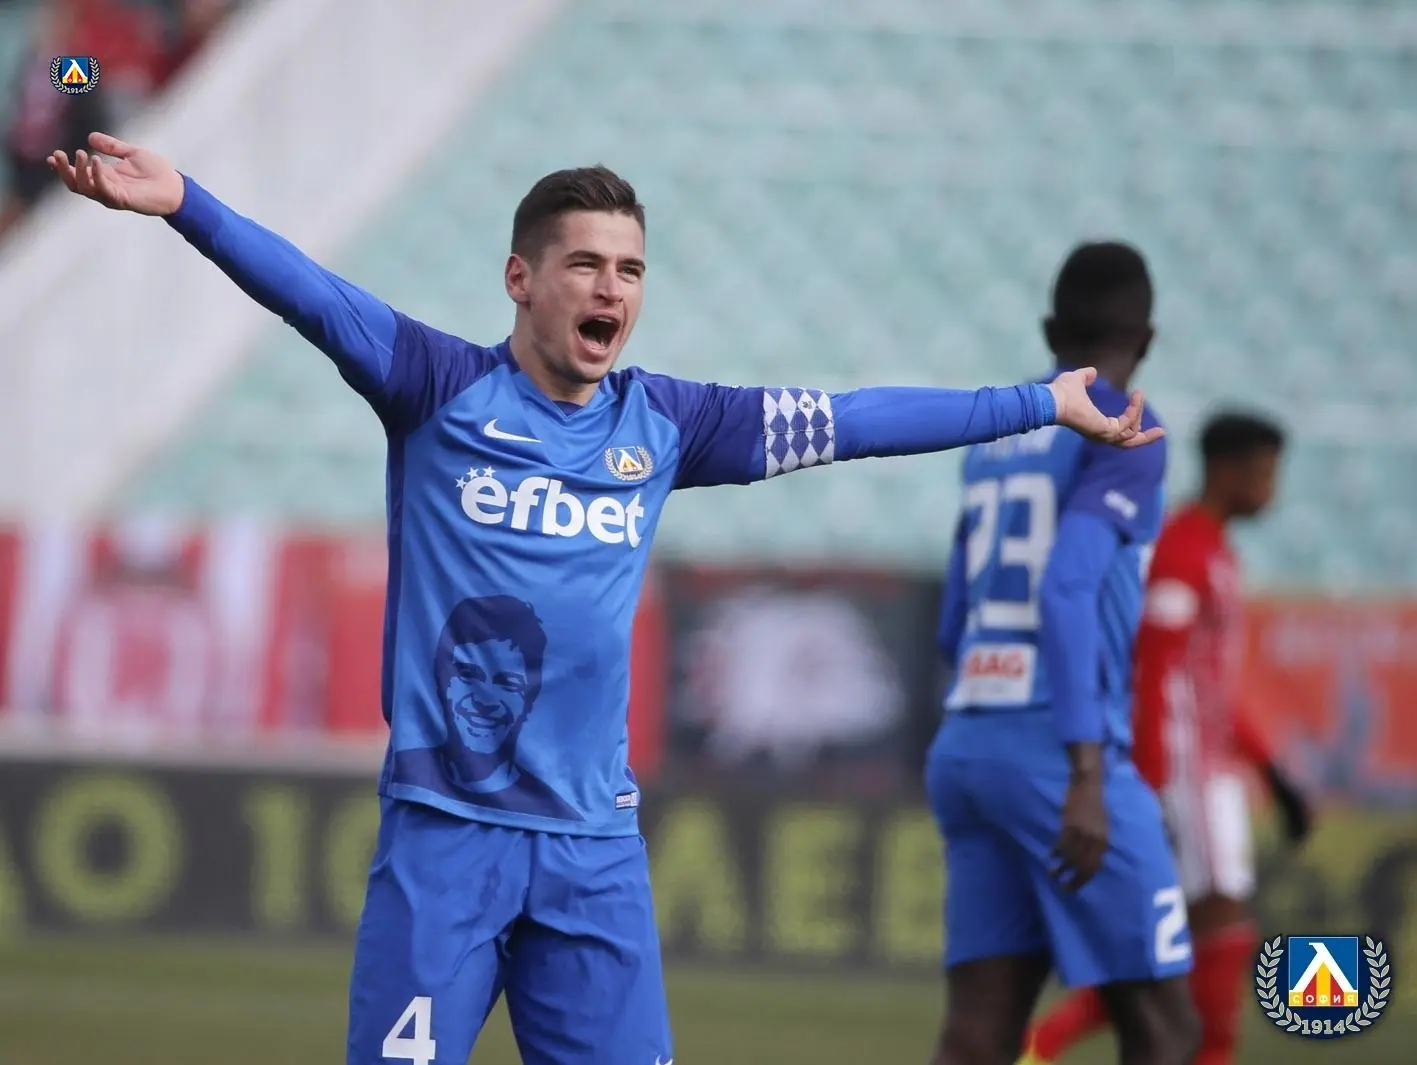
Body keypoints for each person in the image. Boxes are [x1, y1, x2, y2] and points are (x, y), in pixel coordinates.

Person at [49, 133, 1161, 1065]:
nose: (610, 289)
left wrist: (1037, 403)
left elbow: (854, 420)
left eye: (628, 269)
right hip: (447, 837)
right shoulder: (436, 386)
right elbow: (311, 293)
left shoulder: (668, 423)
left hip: (593, 851)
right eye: (583, 264)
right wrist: (185, 203)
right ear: (520, 279)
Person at [926, 242, 1200, 1065]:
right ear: (1145, 339)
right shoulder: (1127, 426)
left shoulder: (996, 433)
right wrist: (1083, 771)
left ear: (1051, 332)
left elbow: (952, 619)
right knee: (1166, 1026)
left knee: (978, 1029)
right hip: (1061, 752)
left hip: (969, 743)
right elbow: (1067, 586)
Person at [1021, 411, 1311, 1065]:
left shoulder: (1215, 551)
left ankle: (1040, 1044)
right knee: (1216, 922)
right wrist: (1149, 779)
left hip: (1206, 767)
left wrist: (1271, 771)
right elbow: (1154, 669)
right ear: (1227, 470)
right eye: (1264, 473)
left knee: (1178, 945)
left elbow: (1210, 688)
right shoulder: (1183, 549)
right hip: (1183, 770)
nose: (1271, 490)